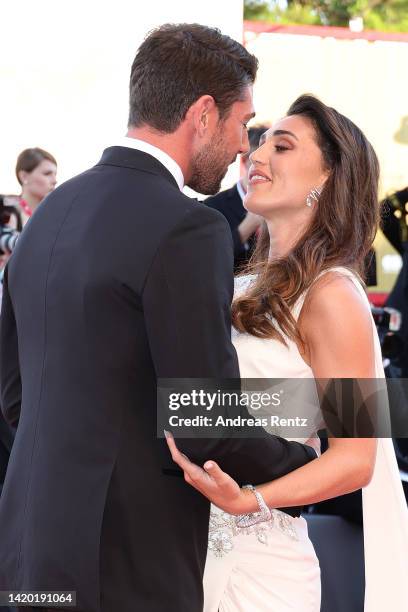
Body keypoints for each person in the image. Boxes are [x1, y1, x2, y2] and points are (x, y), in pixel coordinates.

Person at [0, 24, 318, 612]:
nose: (247, 150)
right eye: (244, 125)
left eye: (279, 143)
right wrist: (305, 467)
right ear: (202, 113)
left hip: (30, 547)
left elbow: (19, 397)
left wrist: (359, 414)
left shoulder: (50, 214)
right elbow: (202, 418)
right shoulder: (187, 227)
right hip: (126, 559)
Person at [166, 95, 408, 611]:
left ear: (328, 179)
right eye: (259, 142)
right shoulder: (240, 284)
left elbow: (356, 458)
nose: (255, 156)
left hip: (261, 566)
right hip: (185, 550)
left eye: (282, 145)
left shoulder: (334, 296)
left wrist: (251, 500)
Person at [206, 126, 268, 272]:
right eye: (258, 159)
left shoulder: (281, 203)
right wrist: (247, 227)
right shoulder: (214, 206)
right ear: (246, 160)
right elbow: (210, 260)